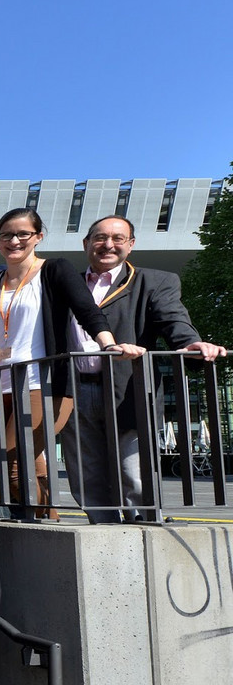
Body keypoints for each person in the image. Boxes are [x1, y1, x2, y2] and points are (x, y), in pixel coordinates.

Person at [60, 215, 225, 522]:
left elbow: (173, 318)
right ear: (86, 244)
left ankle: (146, 527)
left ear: (131, 245)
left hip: (128, 390)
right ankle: (102, 530)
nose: (108, 245)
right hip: (73, 391)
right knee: (87, 474)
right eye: (99, 238)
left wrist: (191, 342)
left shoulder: (155, 281)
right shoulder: (67, 287)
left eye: (118, 238)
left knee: (133, 472)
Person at [0, 207, 141, 517]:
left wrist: (108, 343)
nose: (14, 240)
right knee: (30, 463)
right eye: (6, 235)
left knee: (11, 460)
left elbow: (87, 310)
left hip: (44, 382)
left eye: (23, 233)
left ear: (38, 237)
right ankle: (44, 519)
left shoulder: (54, 270)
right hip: (0, 383)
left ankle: (39, 521)